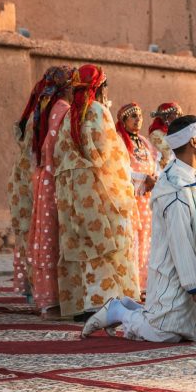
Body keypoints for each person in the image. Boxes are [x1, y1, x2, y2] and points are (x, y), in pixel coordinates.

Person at [82, 116, 196, 342]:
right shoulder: (175, 186)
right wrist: (195, 286)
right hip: (174, 274)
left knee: (194, 332)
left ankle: (131, 309)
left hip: (189, 273)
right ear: (194, 142)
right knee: (164, 333)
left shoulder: (192, 177)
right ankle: (118, 311)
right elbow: (180, 240)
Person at [53, 65, 139, 319]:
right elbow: (111, 155)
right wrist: (124, 189)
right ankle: (109, 302)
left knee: (80, 242)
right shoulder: (99, 111)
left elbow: (61, 155)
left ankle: (84, 303)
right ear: (100, 87)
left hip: (71, 191)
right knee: (108, 240)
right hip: (97, 188)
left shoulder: (69, 115)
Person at [8, 65, 74, 315]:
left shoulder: (42, 111)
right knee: (49, 236)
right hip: (48, 179)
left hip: (34, 179)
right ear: (66, 88)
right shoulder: (60, 111)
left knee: (38, 234)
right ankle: (50, 300)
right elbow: (55, 150)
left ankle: (41, 295)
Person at [115, 103, 158, 292]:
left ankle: (142, 284)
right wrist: (143, 179)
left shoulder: (144, 141)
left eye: (139, 116)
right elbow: (121, 168)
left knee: (146, 239)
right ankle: (130, 284)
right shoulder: (119, 141)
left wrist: (153, 177)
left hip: (146, 198)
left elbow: (154, 163)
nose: (137, 120)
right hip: (130, 197)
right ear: (123, 121)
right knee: (132, 239)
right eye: (133, 117)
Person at [148, 102, 182, 169]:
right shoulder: (156, 134)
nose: (177, 117)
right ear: (165, 116)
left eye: (179, 114)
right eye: (175, 114)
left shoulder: (175, 132)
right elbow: (167, 152)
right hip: (162, 170)